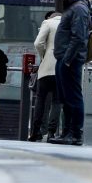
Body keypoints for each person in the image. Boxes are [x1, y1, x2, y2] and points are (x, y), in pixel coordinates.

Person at [51, 0, 90, 146]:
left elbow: (79, 37)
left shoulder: (79, 8)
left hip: (71, 61)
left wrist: (67, 59)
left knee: (74, 97)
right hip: (64, 59)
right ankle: (66, 132)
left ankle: (76, 134)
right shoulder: (72, 8)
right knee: (65, 98)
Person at [30, 10, 63, 142]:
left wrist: (44, 54)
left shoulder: (48, 23)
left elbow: (38, 43)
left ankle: (35, 131)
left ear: (52, 17)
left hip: (46, 67)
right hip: (61, 68)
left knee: (40, 99)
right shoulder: (68, 24)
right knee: (56, 101)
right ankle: (51, 133)